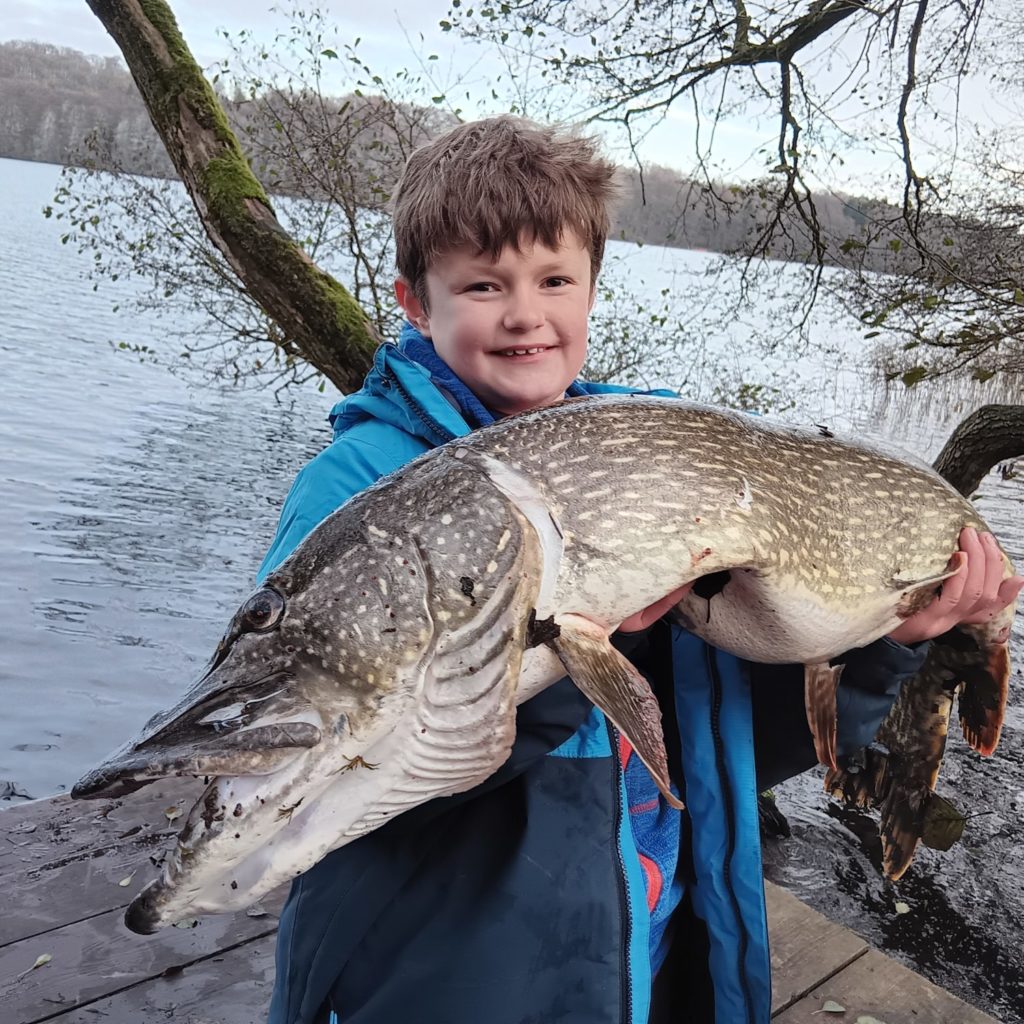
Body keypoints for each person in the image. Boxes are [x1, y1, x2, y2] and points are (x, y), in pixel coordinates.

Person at [257, 116, 1021, 1024]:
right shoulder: (359, 490)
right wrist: (578, 651)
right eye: (483, 285)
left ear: (591, 290)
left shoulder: (661, 474)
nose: (524, 313)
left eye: (554, 280)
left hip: (644, 962)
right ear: (417, 303)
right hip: (440, 985)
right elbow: (328, 775)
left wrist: (893, 645)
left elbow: (731, 758)